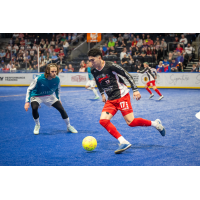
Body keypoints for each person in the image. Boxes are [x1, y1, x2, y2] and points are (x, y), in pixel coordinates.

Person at [88, 48, 166, 154]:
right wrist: (102, 94)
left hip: (122, 96)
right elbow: (98, 81)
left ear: (99, 58)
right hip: (111, 99)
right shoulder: (93, 70)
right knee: (103, 121)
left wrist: (135, 90)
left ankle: (156, 124)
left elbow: (127, 75)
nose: (91, 62)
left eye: (92, 60)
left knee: (131, 122)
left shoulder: (111, 66)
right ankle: (123, 141)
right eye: (90, 60)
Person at [24, 63, 78, 135]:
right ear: (48, 71)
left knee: (61, 109)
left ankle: (69, 126)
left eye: (55, 71)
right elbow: (29, 89)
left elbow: (57, 90)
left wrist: (58, 99)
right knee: (34, 108)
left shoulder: (57, 79)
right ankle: (37, 125)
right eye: (52, 71)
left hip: (49, 96)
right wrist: (27, 102)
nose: (54, 73)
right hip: (36, 96)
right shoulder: (39, 79)